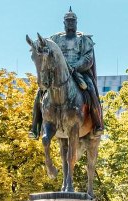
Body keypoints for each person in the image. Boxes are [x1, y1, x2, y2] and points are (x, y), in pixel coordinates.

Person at [29, 8, 104, 139]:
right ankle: (35, 127)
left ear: (76, 23)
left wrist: (75, 66)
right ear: (64, 23)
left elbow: (88, 58)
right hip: (58, 74)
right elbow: (48, 53)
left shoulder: (84, 39)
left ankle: (97, 123)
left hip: (78, 72)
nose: (70, 23)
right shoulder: (55, 39)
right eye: (68, 21)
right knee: (39, 93)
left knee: (91, 89)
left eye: (73, 21)